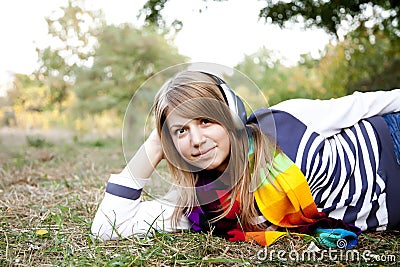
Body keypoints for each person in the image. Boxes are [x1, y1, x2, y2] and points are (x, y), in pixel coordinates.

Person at [91, 70, 400, 249]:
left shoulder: (285, 120)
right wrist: (157, 141)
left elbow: (378, 103)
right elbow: (108, 227)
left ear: (230, 116)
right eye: (181, 131)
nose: (196, 140)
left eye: (206, 121)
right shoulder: (201, 205)